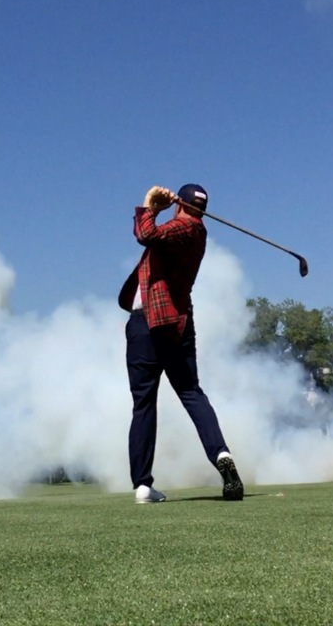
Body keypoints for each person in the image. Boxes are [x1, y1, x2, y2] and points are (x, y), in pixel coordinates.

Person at [118, 183, 244, 504]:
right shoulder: (195, 229)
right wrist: (157, 211)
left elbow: (147, 235)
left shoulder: (185, 227)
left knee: (144, 403)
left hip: (148, 326)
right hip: (178, 325)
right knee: (191, 392)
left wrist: (148, 203)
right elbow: (154, 237)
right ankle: (221, 455)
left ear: (181, 205)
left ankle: (143, 485)